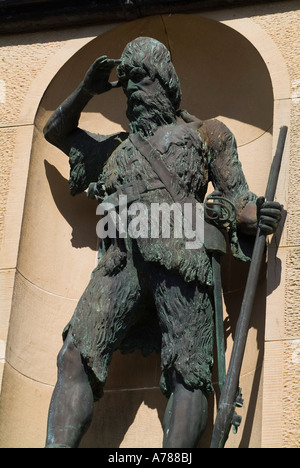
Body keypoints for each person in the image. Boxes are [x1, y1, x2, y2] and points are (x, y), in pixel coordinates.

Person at [43, 37, 282, 448]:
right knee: (74, 354)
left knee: (188, 374)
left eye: (143, 77)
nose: (133, 88)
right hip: (121, 259)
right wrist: (85, 89)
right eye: (127, 81)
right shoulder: (116, 149)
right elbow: (55, 132)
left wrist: (255, 214)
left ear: (166, 81)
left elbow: (237, 198)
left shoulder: (207, 134)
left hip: (182, 254)